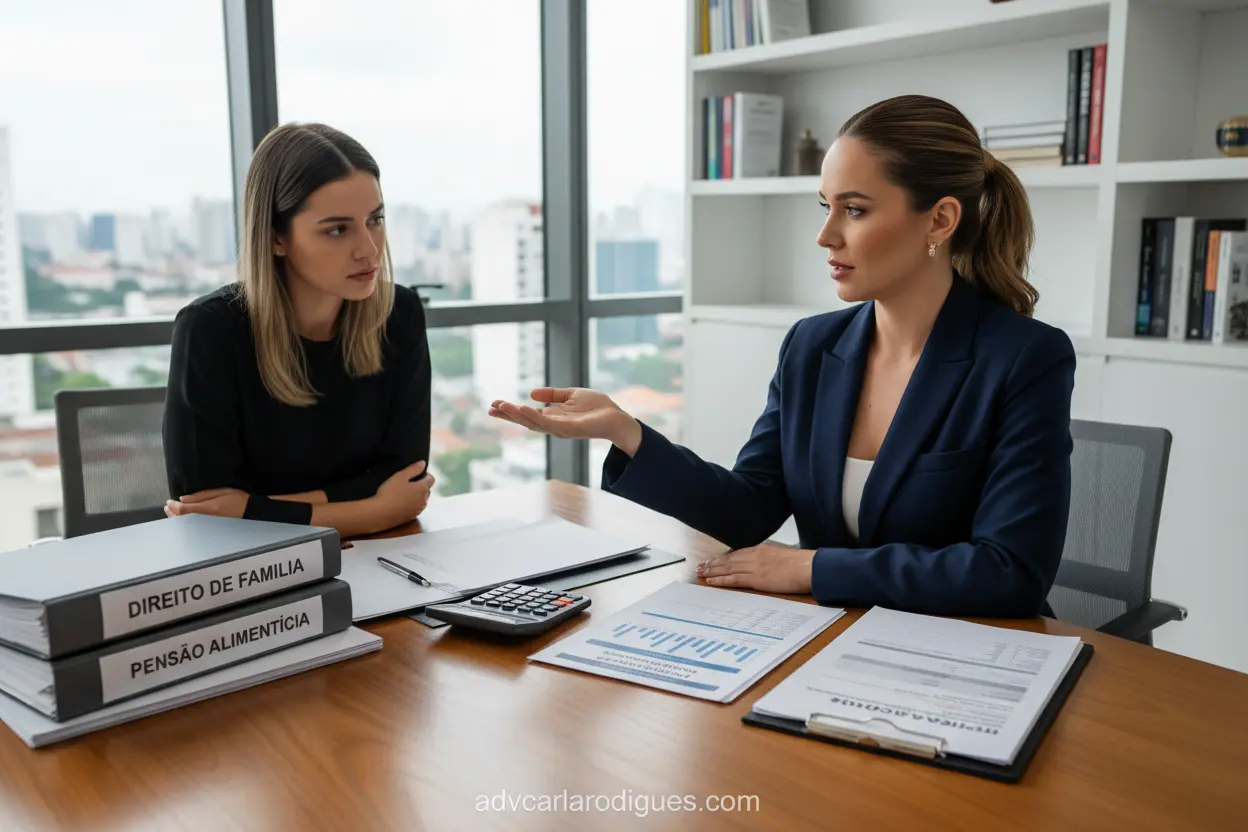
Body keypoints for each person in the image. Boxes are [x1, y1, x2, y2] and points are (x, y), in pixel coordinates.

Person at [488, 94, 1076, 618]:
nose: (826, 235)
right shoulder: (812, 346)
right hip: (829, 639)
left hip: (966, 651)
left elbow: (1010, 573)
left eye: (854, 209)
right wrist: (627, 433)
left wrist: (810, 568)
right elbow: (748, 510)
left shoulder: (1026, 359)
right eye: (826, 207)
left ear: (940, 220)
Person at [162, 122, 434, 538]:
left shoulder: (399, 314)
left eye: (375, 219)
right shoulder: (211, 329)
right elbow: (205, 512)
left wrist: (253, 508)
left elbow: (406, 476)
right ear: (276, 237)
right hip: (254, 566)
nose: (369, 249)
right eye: (338, 229)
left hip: (380, 555)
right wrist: (375, 512)